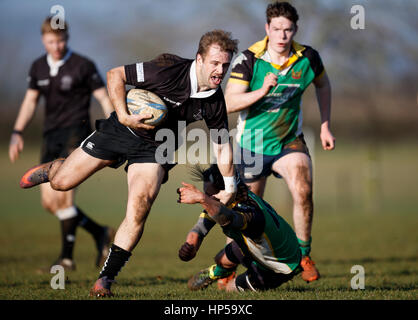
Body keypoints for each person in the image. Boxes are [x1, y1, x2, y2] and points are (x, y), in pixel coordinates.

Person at [19, 29, 239, 297]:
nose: (221, 70)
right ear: (200, 59)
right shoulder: (168, 68)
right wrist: (123, 115)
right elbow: (115, 75)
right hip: (121, 129)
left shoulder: (215, 100)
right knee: (61, 183)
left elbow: (221, 146)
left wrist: (230, 185)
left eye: (226, 65)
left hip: (157, 148)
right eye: (215, 63)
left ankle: (106, 279)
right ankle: (55, 168)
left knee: (140, 206)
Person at [224, 1, 336, 282]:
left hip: (289, 141)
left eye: (288, 30)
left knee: (303, 189)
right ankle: (228, 267)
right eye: (277, 29)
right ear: (267, 29)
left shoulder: (308, 57)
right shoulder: (249, 59)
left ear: (295, 29)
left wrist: (325, 126)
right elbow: (228, 103)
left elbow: (323, 85)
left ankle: (303, 255)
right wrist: (262, 90)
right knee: (246, 213)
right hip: (252, 144)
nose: (283, 35)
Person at [10, 17, 115, 271]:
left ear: (67, 39)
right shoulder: (38, 68)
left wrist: (114, 126)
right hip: (51, 137)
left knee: (64, 196)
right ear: (43, 40)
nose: (56, 46)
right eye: (51, 41)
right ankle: (100, 232)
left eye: (60, 40)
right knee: (49, 203)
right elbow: (30, 101)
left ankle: (66, 259)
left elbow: (103, 97)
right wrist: (17, 131)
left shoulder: (83, 66)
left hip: (76, 136)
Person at [177, 164, 302, 292]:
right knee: (221, 259)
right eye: (206, 194)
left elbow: (227, 218)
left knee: (229, 289)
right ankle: (216, 272)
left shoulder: (249, 212)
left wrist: (202, 199)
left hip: (280, 266)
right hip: (261, 247)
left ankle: (234, 275)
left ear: (227, 190)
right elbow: (200, 228)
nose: (209, 199)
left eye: (211, 195)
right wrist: (190, 246)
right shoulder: (227, 199)